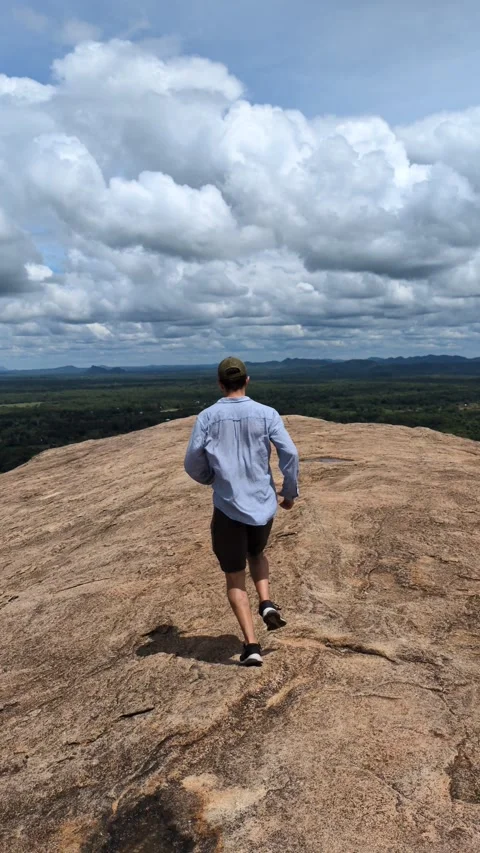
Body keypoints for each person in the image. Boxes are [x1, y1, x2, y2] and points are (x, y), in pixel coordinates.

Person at [184, 356, 299, 667]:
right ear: (247, 381)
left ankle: (251, 646)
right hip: (263, 505)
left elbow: (192, 461)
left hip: (229, 508)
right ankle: (266, 602)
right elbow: (290, 452)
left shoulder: (207, 417)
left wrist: (211, 478)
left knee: (235, 578)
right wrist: (289, 492)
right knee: (258, 553)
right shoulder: (267, 414)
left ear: (221, 385)